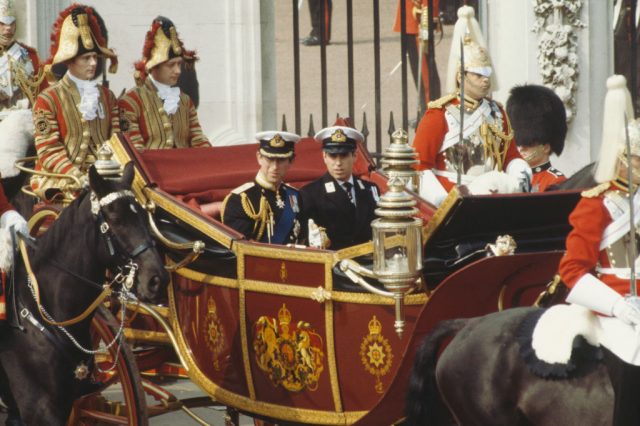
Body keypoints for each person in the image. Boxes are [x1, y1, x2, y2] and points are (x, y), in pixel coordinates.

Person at [559, 75, 640, 425]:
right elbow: (573, 271)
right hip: (616, 305)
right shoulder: (597, 205)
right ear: (623, 160)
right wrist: (617, 306)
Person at [412, 5, 530, 207]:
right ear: (461, 77)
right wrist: (442, 203)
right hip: (455, 201)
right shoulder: (439, 114)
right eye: (478, 75)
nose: (485, 81)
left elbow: (510, 155)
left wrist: (520, 174)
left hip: (495, 197)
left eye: (487, 75)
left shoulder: (497, 112)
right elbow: (419, 167)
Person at [30, 4, 119, 200]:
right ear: (70, 60)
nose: (94, 63)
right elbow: (48, 149)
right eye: (86, 58)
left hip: (106, 178)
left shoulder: (107, 96)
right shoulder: (48, 99)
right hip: (63, 180)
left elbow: (117, 140)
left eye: (95, 57)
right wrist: (76, 176)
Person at [118, 16, 210, 150]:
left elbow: (198, 139)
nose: (178, 71)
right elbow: (133, 150)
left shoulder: (185, 101)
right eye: (171, 65)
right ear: (154, 66)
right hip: (149, 170)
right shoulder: (131, 101)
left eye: (179, 64)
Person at [300, 126, 379, 250]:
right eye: (333, 156)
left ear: (354, 156)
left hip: (369, 261)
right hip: (334, 265)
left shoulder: (370, 189)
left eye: (343, 155)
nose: (338, 163)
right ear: (324, 156)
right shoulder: (310, 194)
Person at [221, 131, 303, 245]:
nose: (275, 167)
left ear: (291, 161)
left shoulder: (296, 196)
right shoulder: (240, 200)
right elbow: (240, 248)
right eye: (269, 159)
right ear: (259, 157)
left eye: (281, 160)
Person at [0, 0, 44, 200]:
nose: (8, 29)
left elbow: (43, 92)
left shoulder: (29, 55)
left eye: (11, 23)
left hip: (26, 118)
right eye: (2, 24)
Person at [506, 84, 567, 192]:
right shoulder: (510, 178)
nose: (521, 148)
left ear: (546, 147)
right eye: (519, 143)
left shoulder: (556, 181)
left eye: (529, 143)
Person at [392, 0, 441, 109]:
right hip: (411, 16)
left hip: (418, 18)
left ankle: (430, 111)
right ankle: (425, 109)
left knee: (425, 74)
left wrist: (428, 15)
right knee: (420, 72)